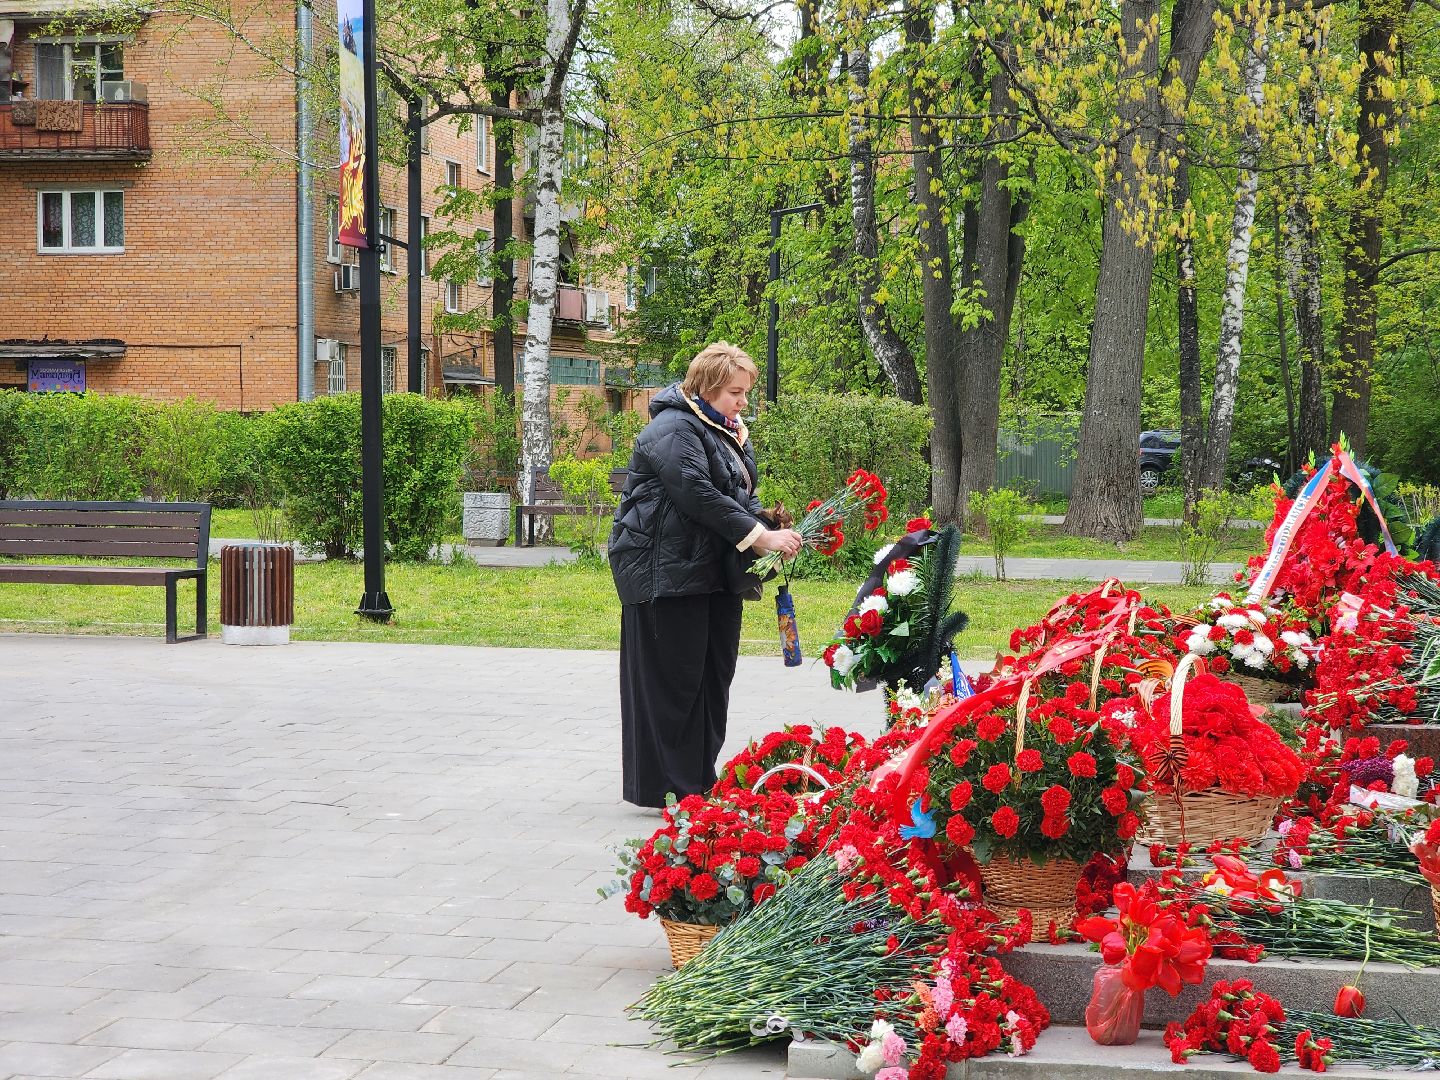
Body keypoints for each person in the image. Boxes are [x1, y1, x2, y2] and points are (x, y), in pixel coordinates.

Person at [609, 342, 803, 808]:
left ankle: (699, 779)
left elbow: (730, 498)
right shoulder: (672, 427)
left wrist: (770, 523)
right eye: (735, 392)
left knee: (712, 679)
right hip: (665, 573)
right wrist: (759, 535)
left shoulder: (723, 429)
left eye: (745, 393)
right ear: (710, 385)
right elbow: (695, 493)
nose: (742, 402)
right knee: (676, 683)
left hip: (711, 572)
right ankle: (674, 787)